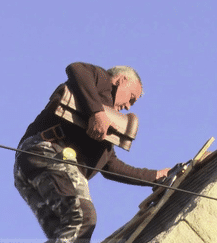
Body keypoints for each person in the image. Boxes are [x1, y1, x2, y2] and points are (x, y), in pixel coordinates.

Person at [14, 62, 170, 243]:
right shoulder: (102, 81)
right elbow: (76, 69)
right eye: (131, 98)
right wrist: (97, 113)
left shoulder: (106, 132)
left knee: (67, 232)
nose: (128, 106)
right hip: (48, 150)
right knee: (83, 217)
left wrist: (155, 176)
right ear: (121, 80)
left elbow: (111, 166)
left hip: (26, 166)